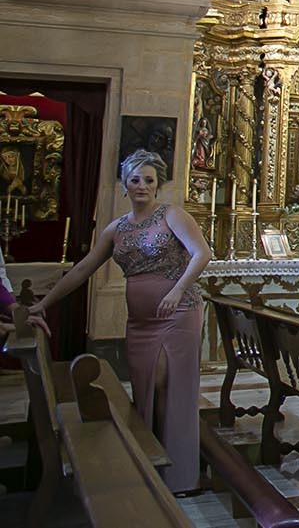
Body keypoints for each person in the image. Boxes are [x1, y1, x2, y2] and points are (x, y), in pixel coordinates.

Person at [31, 150, 213, 491]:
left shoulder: (171, 215)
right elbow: (84, 268)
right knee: (146, 388)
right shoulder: (116, 229)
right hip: (141, 323)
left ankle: (177, 474)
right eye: (135, 180)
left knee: (165, 385)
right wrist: (45, 303)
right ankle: (149, 463)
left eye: (149, 180)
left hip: (178, 314)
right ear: (124, 185)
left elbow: (202, 254)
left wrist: (176, 290)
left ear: (158, 186)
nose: (141, 185)